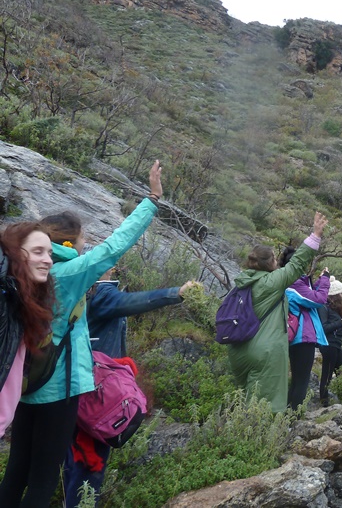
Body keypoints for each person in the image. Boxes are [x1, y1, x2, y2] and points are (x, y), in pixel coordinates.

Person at [0, 161, 163, 507]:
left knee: (16, 471)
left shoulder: (21, 268)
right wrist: (151, 200)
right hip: (60, 390)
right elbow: (115, 247)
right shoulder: (69, 273)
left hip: (26, 387)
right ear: (72, 242)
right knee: (43, 480)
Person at [62, 271, 202, 508]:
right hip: (98, 398)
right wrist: (175, 293)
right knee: (88, 464)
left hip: (72, 388)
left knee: (73, 458)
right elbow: (132, 302)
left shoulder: (71, 290)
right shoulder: (101, 294)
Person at [227, 212, 328, 412]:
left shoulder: (241, 282)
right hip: (263, 349)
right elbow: (297, 263)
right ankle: (265, 436)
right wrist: (315, 234)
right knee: (265, 405)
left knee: (245, 397)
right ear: (271, 263)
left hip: (237, 348)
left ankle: (236, 434)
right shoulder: (273, 282)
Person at [0, 222, 54, 436]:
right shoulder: (4, 299)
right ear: (14, 253)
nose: (48, 260)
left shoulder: (18, 298)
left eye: (50, 253)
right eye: (37, 252)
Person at [284, 258, 330, 411]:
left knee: (297, 378)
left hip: (296, 337)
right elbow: (319, 299)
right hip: (302, 337)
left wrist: (318, 281)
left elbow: (309, 296)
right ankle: (294, 418)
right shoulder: (294, 284)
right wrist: (325, 280)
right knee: (302, 380)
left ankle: (288, 415)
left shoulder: (289, 282)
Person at [317, 276, 342, 407]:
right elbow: (324, 328)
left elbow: (338, 328)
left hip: (336, 344)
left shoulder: (334, 310)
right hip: (328, 344)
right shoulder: (324, 308)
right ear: (335, 295)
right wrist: (340, 322)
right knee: (328, 373)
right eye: (341, 293)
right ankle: (324, 402)